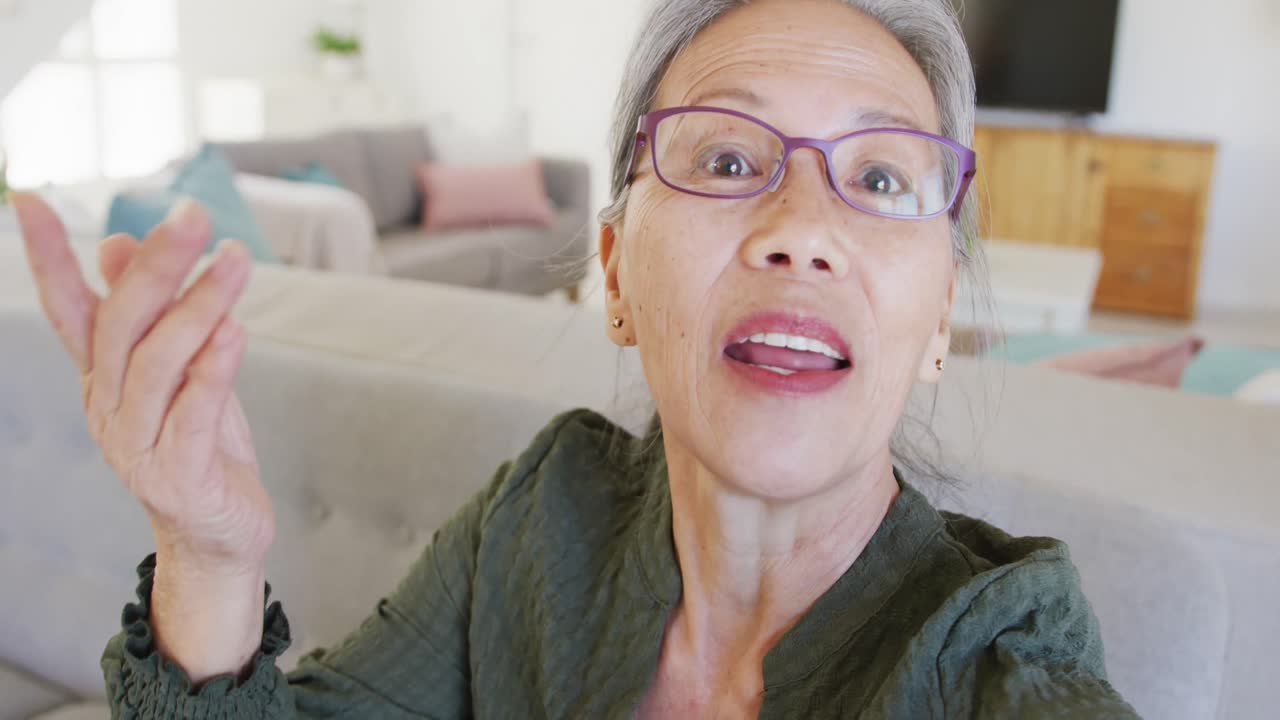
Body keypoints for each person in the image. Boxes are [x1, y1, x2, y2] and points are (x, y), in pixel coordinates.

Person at [13, 0, 1140, 717]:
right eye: (729, 157)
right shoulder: (544, 514)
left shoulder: (996, 651)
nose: (802, 225)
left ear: (938, 314)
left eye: (882, 177)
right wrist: (206, 556)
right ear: (613, 272)